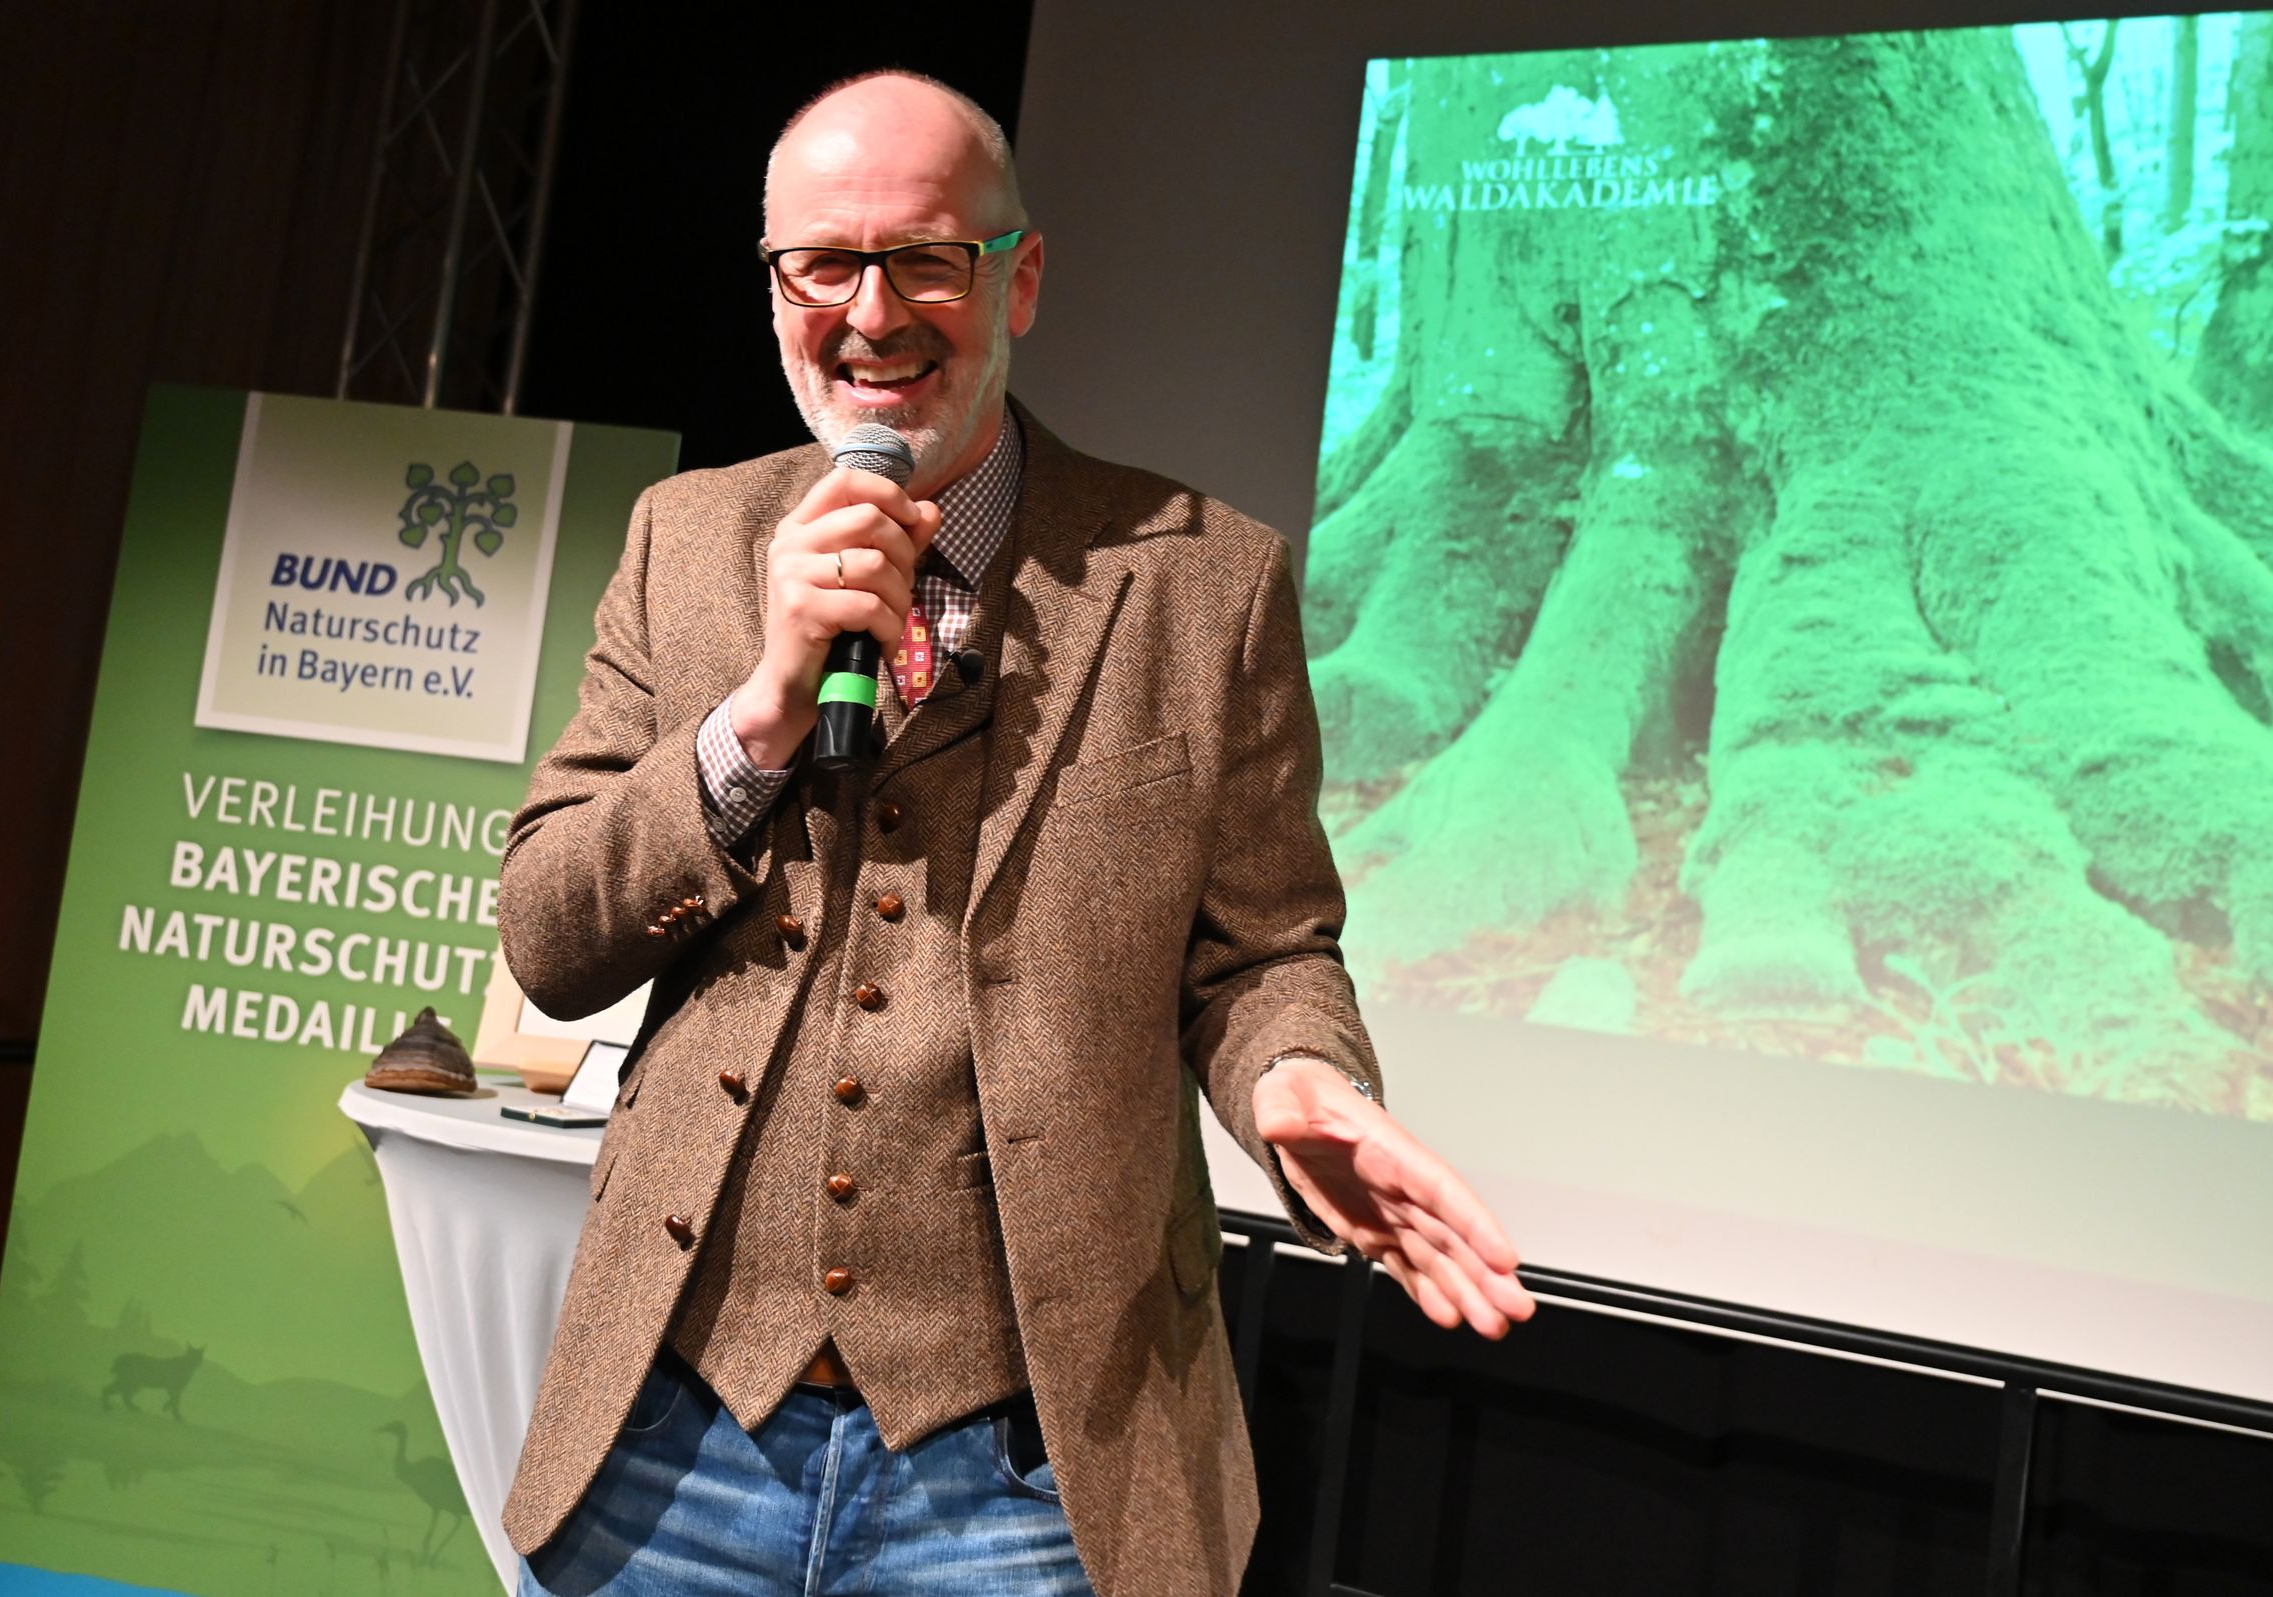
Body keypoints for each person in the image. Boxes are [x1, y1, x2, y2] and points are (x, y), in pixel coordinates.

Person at [495, 69, 1534, 1597]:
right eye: (823, 265)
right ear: (775, 289)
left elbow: (1265, 956)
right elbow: (548, 932)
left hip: (1022, 1474)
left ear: (1019, 278)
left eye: (926, 258)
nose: (871, 312)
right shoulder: (688, 541)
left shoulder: (1201, 583)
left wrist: (1304, 1081)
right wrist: (760, 714)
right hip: (676, 1434)